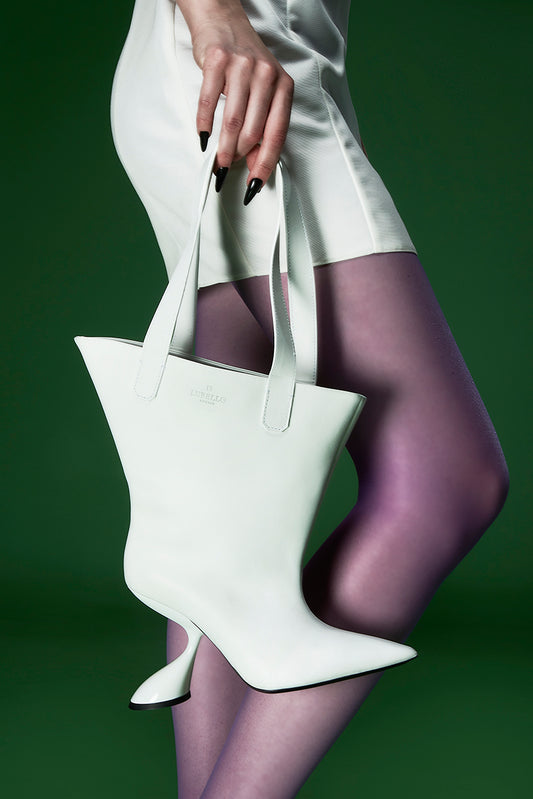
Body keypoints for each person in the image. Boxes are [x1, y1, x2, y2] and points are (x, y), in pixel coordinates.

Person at [111, 1, 509, 796]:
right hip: (245, 58)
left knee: (227, 534)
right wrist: (216, 18)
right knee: (446, 482)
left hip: (247, 65)